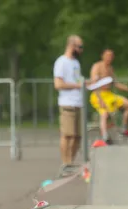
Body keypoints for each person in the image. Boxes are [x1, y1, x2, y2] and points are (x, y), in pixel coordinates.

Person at [89, 49, 128, 144]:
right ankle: (105, 135)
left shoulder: (110, 68)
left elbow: (116, 83)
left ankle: (124, 128)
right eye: (107, 55)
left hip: (109, 94)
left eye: (111, 56)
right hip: (98, 94)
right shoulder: (97, 66)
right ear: (102, 56)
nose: (109, 58)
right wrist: (100, 99)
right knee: (104, 114)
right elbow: (94, 84)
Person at [53, 35, 86, 172]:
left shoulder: (76, 63)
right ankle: (65, 163)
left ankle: (70, 162)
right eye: (80, 47)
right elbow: (58, 83)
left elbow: (78, 80)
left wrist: (88, 83)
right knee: (67, 135)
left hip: (78, 102)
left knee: (78, 136)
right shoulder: (61, 62)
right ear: (72, 46)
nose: (81, 50)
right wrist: (77, 86)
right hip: (67, 103)